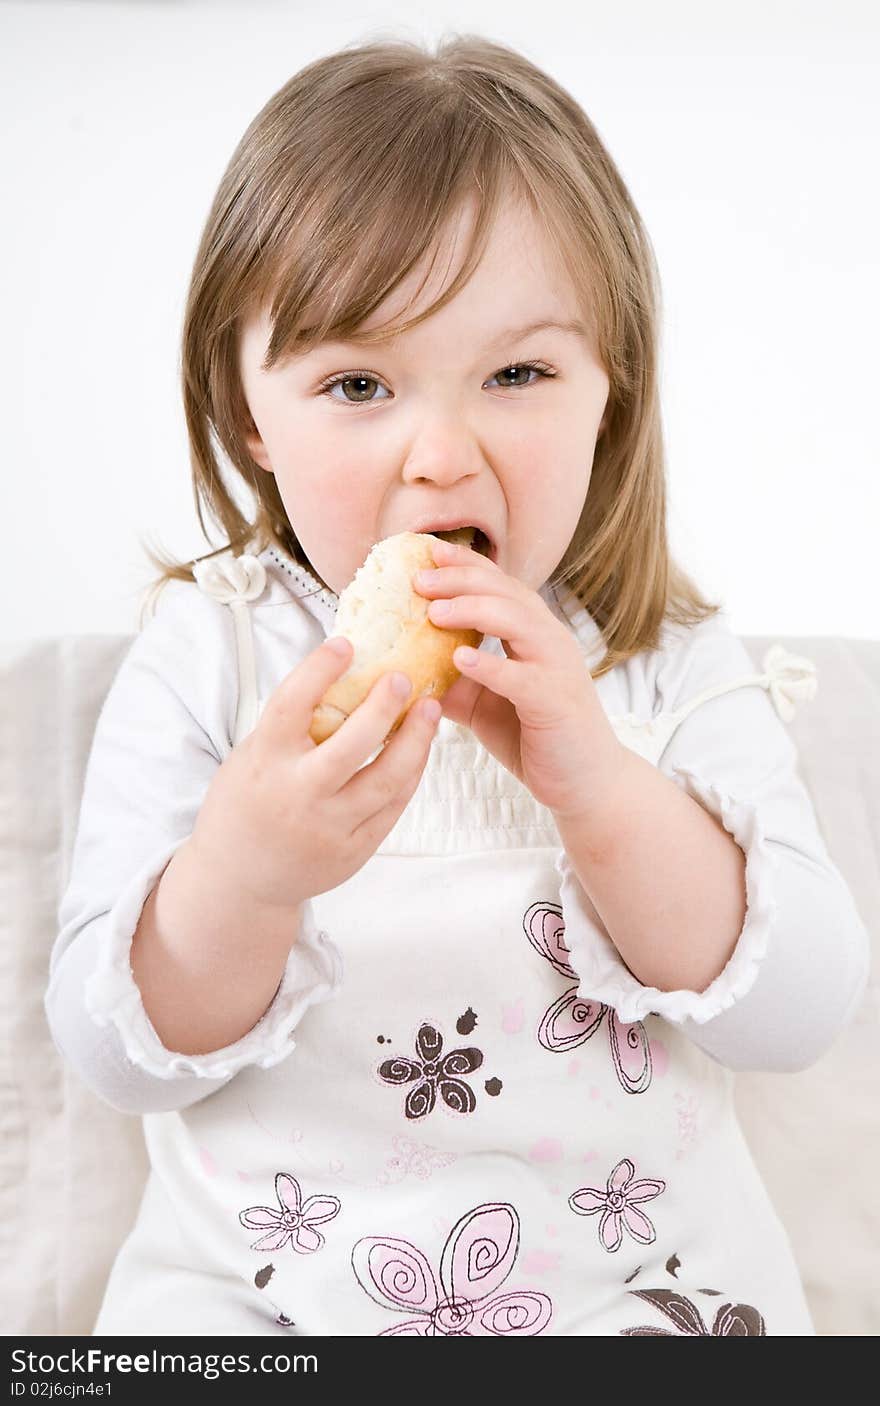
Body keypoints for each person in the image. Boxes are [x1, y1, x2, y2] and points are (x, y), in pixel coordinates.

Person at [46, 34, 868, 1337]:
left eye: (519, 373)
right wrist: (247, 872)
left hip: (624, 1285)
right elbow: (113, 1052)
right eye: (359, 383)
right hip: (262, 1297)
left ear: (614, 395)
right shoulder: (211, 654)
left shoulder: (664, 664)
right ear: (250, 411)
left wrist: (598, 788)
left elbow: (805, 1006)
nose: (439, 456)